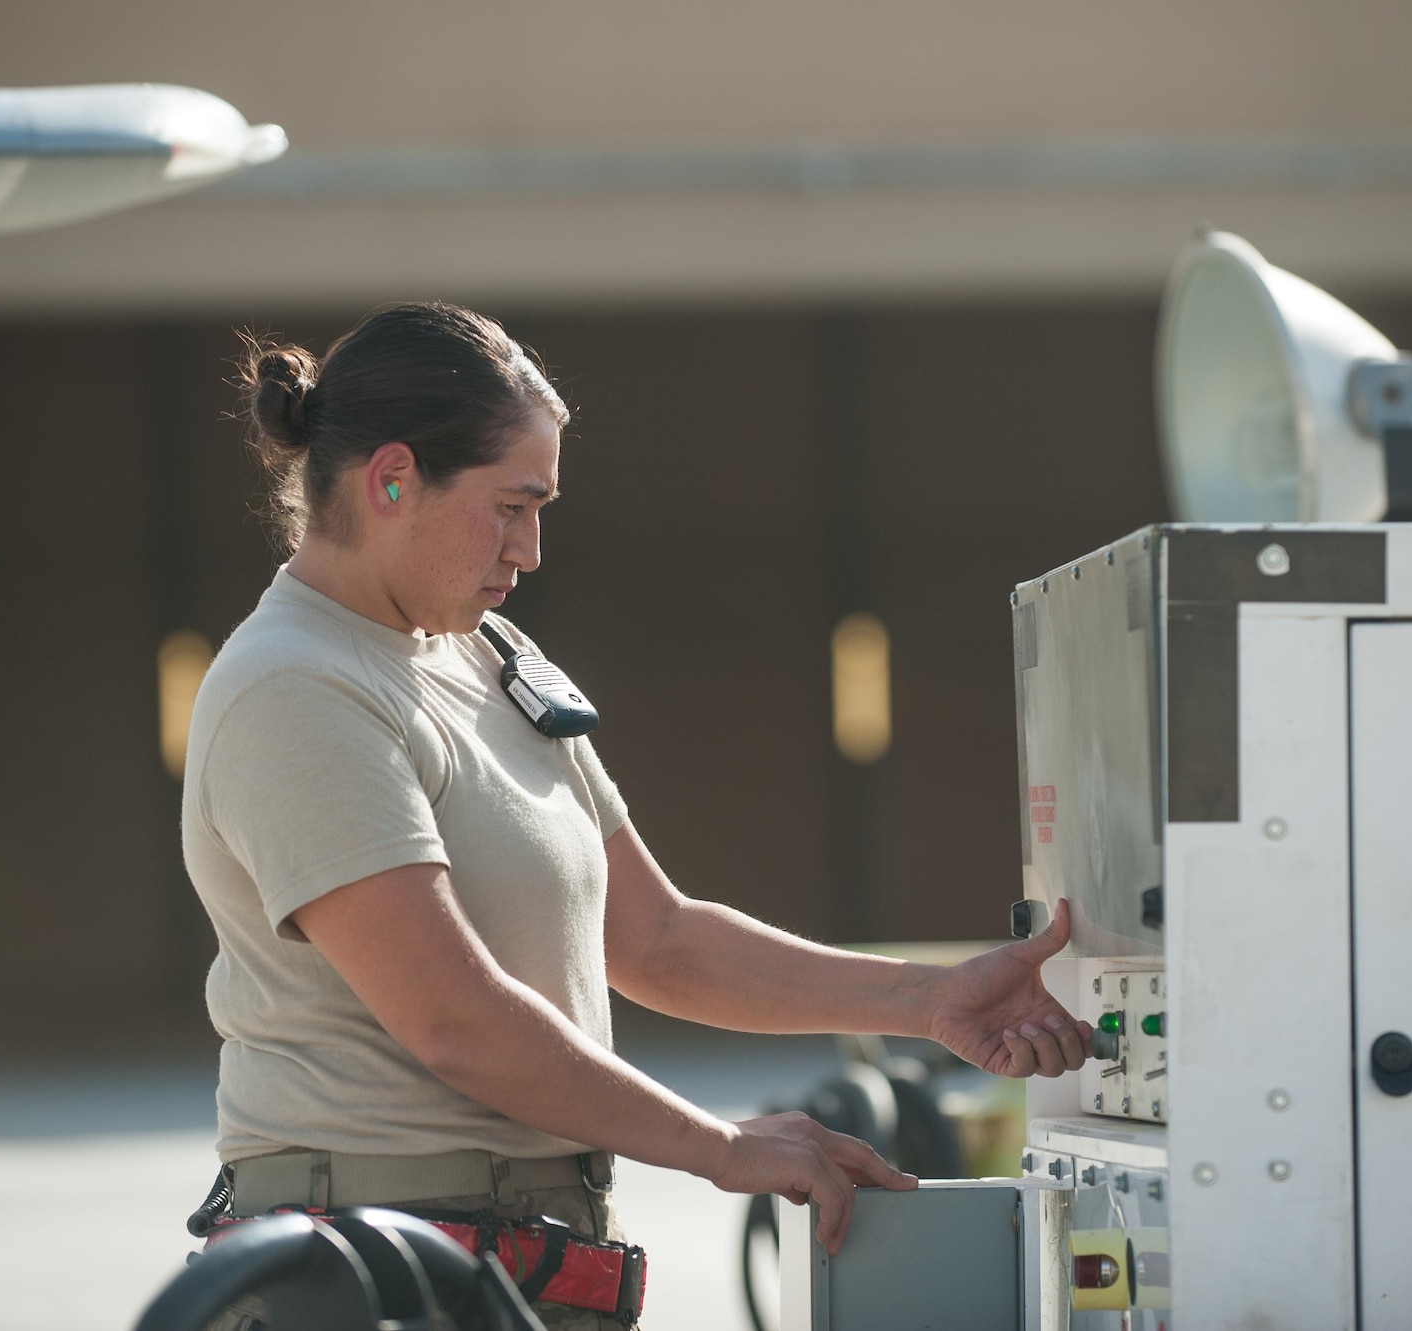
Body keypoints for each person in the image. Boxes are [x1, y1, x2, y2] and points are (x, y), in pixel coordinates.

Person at [181, 301, 1091, 1330]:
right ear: (391, 478)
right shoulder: (294, 686)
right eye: (510, 506)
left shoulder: (489, 658)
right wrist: (721, 1144)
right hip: (375, 1271)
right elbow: (452, 1018)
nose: (528, 550)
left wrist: (932, 1000)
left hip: (520, 1256)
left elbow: (655, 937)